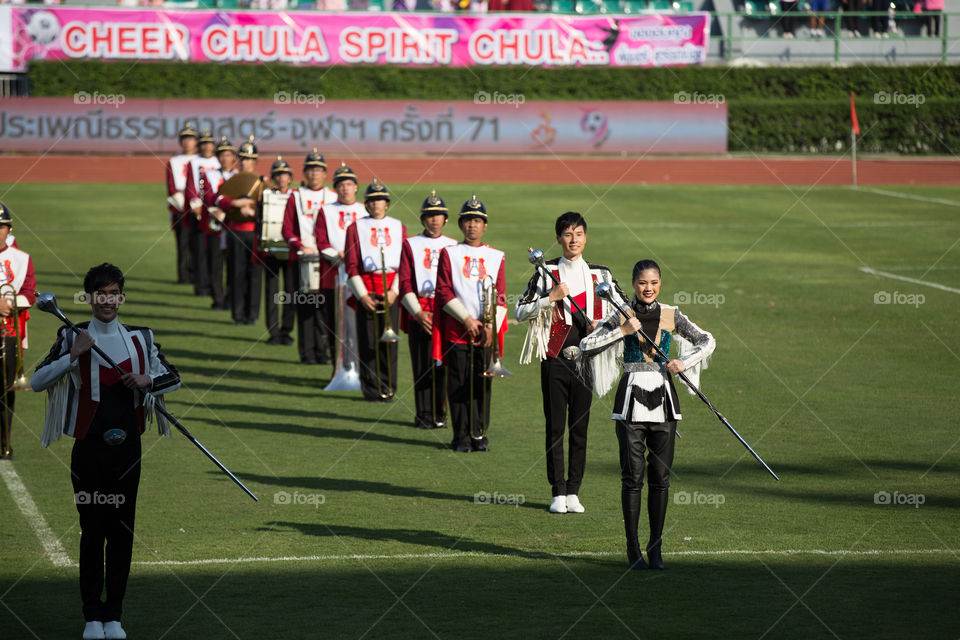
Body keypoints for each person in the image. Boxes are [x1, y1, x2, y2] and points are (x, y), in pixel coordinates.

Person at [30, 263, 181, 640]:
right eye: (100, 294)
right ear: (90, 298)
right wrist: (72, 355)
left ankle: (114, 615)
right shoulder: (72, 335)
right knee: (91, 530)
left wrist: (148, 380)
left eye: (114, 294)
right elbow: (36, 381)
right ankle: (91, 616)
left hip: (128, 450)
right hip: (89, 452)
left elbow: (173, 377)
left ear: (122, 297)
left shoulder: (141, 339)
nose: (107, 301)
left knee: (121, 530)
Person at [579, 259, 715, 570]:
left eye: (653, 283)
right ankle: (632, 548)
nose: (648, 288)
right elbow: (588, 345)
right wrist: (622, 331)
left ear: (660, 283)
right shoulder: (621, 312)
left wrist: (684, 362)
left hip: (665, 403)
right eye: (642, 283)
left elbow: (707, 340)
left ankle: (656, 548)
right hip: (630, 403)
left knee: (661, 480)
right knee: (632, 479)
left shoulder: (671, 314)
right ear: (634, 283)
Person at [515, 211, 625, 514]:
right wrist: (549, 298)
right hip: (554, 358)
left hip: (587, 360)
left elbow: (625, 310)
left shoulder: (601, 274)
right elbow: (519, 311)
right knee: (555, 427)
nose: (573, 239)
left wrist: (602, 326)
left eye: (578, 233)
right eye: (566, 234)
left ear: (585, 237)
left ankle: (574, 490)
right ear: (558, 238)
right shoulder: (546, 272)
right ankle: (557, 490)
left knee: (580, 426)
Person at [433, 195, 507, 452]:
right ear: (460, 224)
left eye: (477, 221)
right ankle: (460, 435)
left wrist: (490, 327)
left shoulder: (496, 256)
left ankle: (479, 433)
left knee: (482, 384)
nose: (472, 225)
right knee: (457, 383)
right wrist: (466, 318)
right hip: (458, 330)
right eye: (467, 221)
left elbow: (500, 296)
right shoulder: (449, 253)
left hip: (485, 333)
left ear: (484, 225)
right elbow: (443, 291)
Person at [343, 179, 407, 401]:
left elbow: (404, 264)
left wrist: (394, 292)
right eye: (372, 200)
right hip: (367, 290)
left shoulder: (399, 226)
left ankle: (389, 387)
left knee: (389, 343)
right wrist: (361, 295)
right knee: (368, 341)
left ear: (386, 203)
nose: (376, 204)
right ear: (366, 204)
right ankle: (371, 388)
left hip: (391, 291)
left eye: (380, 200)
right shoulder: (355, 228)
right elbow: (351, 265)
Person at [398, 190, 457, 429]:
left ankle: (440, 411)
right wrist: (418, 313)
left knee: (443, 364)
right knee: (421, 365)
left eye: (439, 215)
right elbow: (404, 282)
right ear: (423, 219)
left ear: (445, 219)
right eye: (430, 215)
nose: (434, 219)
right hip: (420, 310)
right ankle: (423, 413)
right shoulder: (410, 244)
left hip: (446, 312)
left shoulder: (454, 245)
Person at [280, 149, 337, 364]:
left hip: (327, 260)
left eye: (319, 170)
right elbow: (287, 229)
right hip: (302, 259)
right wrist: (299, 245)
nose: (314, 174)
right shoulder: (296, 196)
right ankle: (307, 353)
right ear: (304, 173)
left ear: (325, 173)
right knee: (304, 306)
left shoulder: (332, 196)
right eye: (311, 170)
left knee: (324, 308)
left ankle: (324, 352)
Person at [314, 162, 368, 363]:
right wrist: (338, 255)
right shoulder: (326, 211)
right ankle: (338, 361)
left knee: (359, 319)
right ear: (336, 188)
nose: (345, 188)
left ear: (355, 187)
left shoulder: (364, 210)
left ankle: (360, 363)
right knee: (335, 320)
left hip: (360, 276)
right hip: (333, 273)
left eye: (349, 184)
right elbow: (321, 241)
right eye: (341, 185)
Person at [208, 136, 262, 325]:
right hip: (234, 231)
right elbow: (214, 199)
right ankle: (237, 313)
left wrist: (254, 212)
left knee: (254, 274)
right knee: (236, 273)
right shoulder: (231, 179)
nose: (246, 162)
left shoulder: (261, 182)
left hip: (255, 232)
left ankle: (252, 314)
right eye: (243, 158)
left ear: (255, 161)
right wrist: (234, 203)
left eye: (249, 159)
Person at [0, 203, 36, 459]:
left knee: (5, 389)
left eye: (1, 227)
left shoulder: (21, 259)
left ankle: (4, 443)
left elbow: (29, 294)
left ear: (9, 229)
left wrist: (10, 303)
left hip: (9, 331)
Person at [198, 136, 241, 311]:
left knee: (234, 264)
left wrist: (225, 206)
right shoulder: (209, 175)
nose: (225, 158)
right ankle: (218, 299)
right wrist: (219, 206)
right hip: (215, 225)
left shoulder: (239, 176)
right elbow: (207, 197)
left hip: (233, 224)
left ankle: (232, 297)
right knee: (215, 265)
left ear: (233, 157)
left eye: (228, 155)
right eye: (221, 155)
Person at [261, 157, 297, 345]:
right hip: (271, 251)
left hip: (291, 251)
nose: (281, 178)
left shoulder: (298, 196)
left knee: (291, 291)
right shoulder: (266, 195)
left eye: (284, 175)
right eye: (277, 175)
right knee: (272, 292)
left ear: (290, 178)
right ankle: (273, 331)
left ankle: (287, 330)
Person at [183, 129, 220, 297]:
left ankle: (215, 286)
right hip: (199, 212)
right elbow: (191, 186)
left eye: (209, 143)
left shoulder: (220, 161)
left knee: (216, 252)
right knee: (199, 250)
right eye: (204, 143)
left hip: (216, 211)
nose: (207, 146)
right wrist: (195, 204)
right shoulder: (194, 162)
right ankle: (201, 285)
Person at [165, 123, 197, 284]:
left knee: (197, 244)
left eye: (190, 139)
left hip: (199, 209)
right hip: (180, 209)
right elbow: (171, 187)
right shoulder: (174, 161)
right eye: (184, 139)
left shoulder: (201, 161)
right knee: (182, 244)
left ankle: (196, 273)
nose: (187, 142)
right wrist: (186, 205)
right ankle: (183, 276)